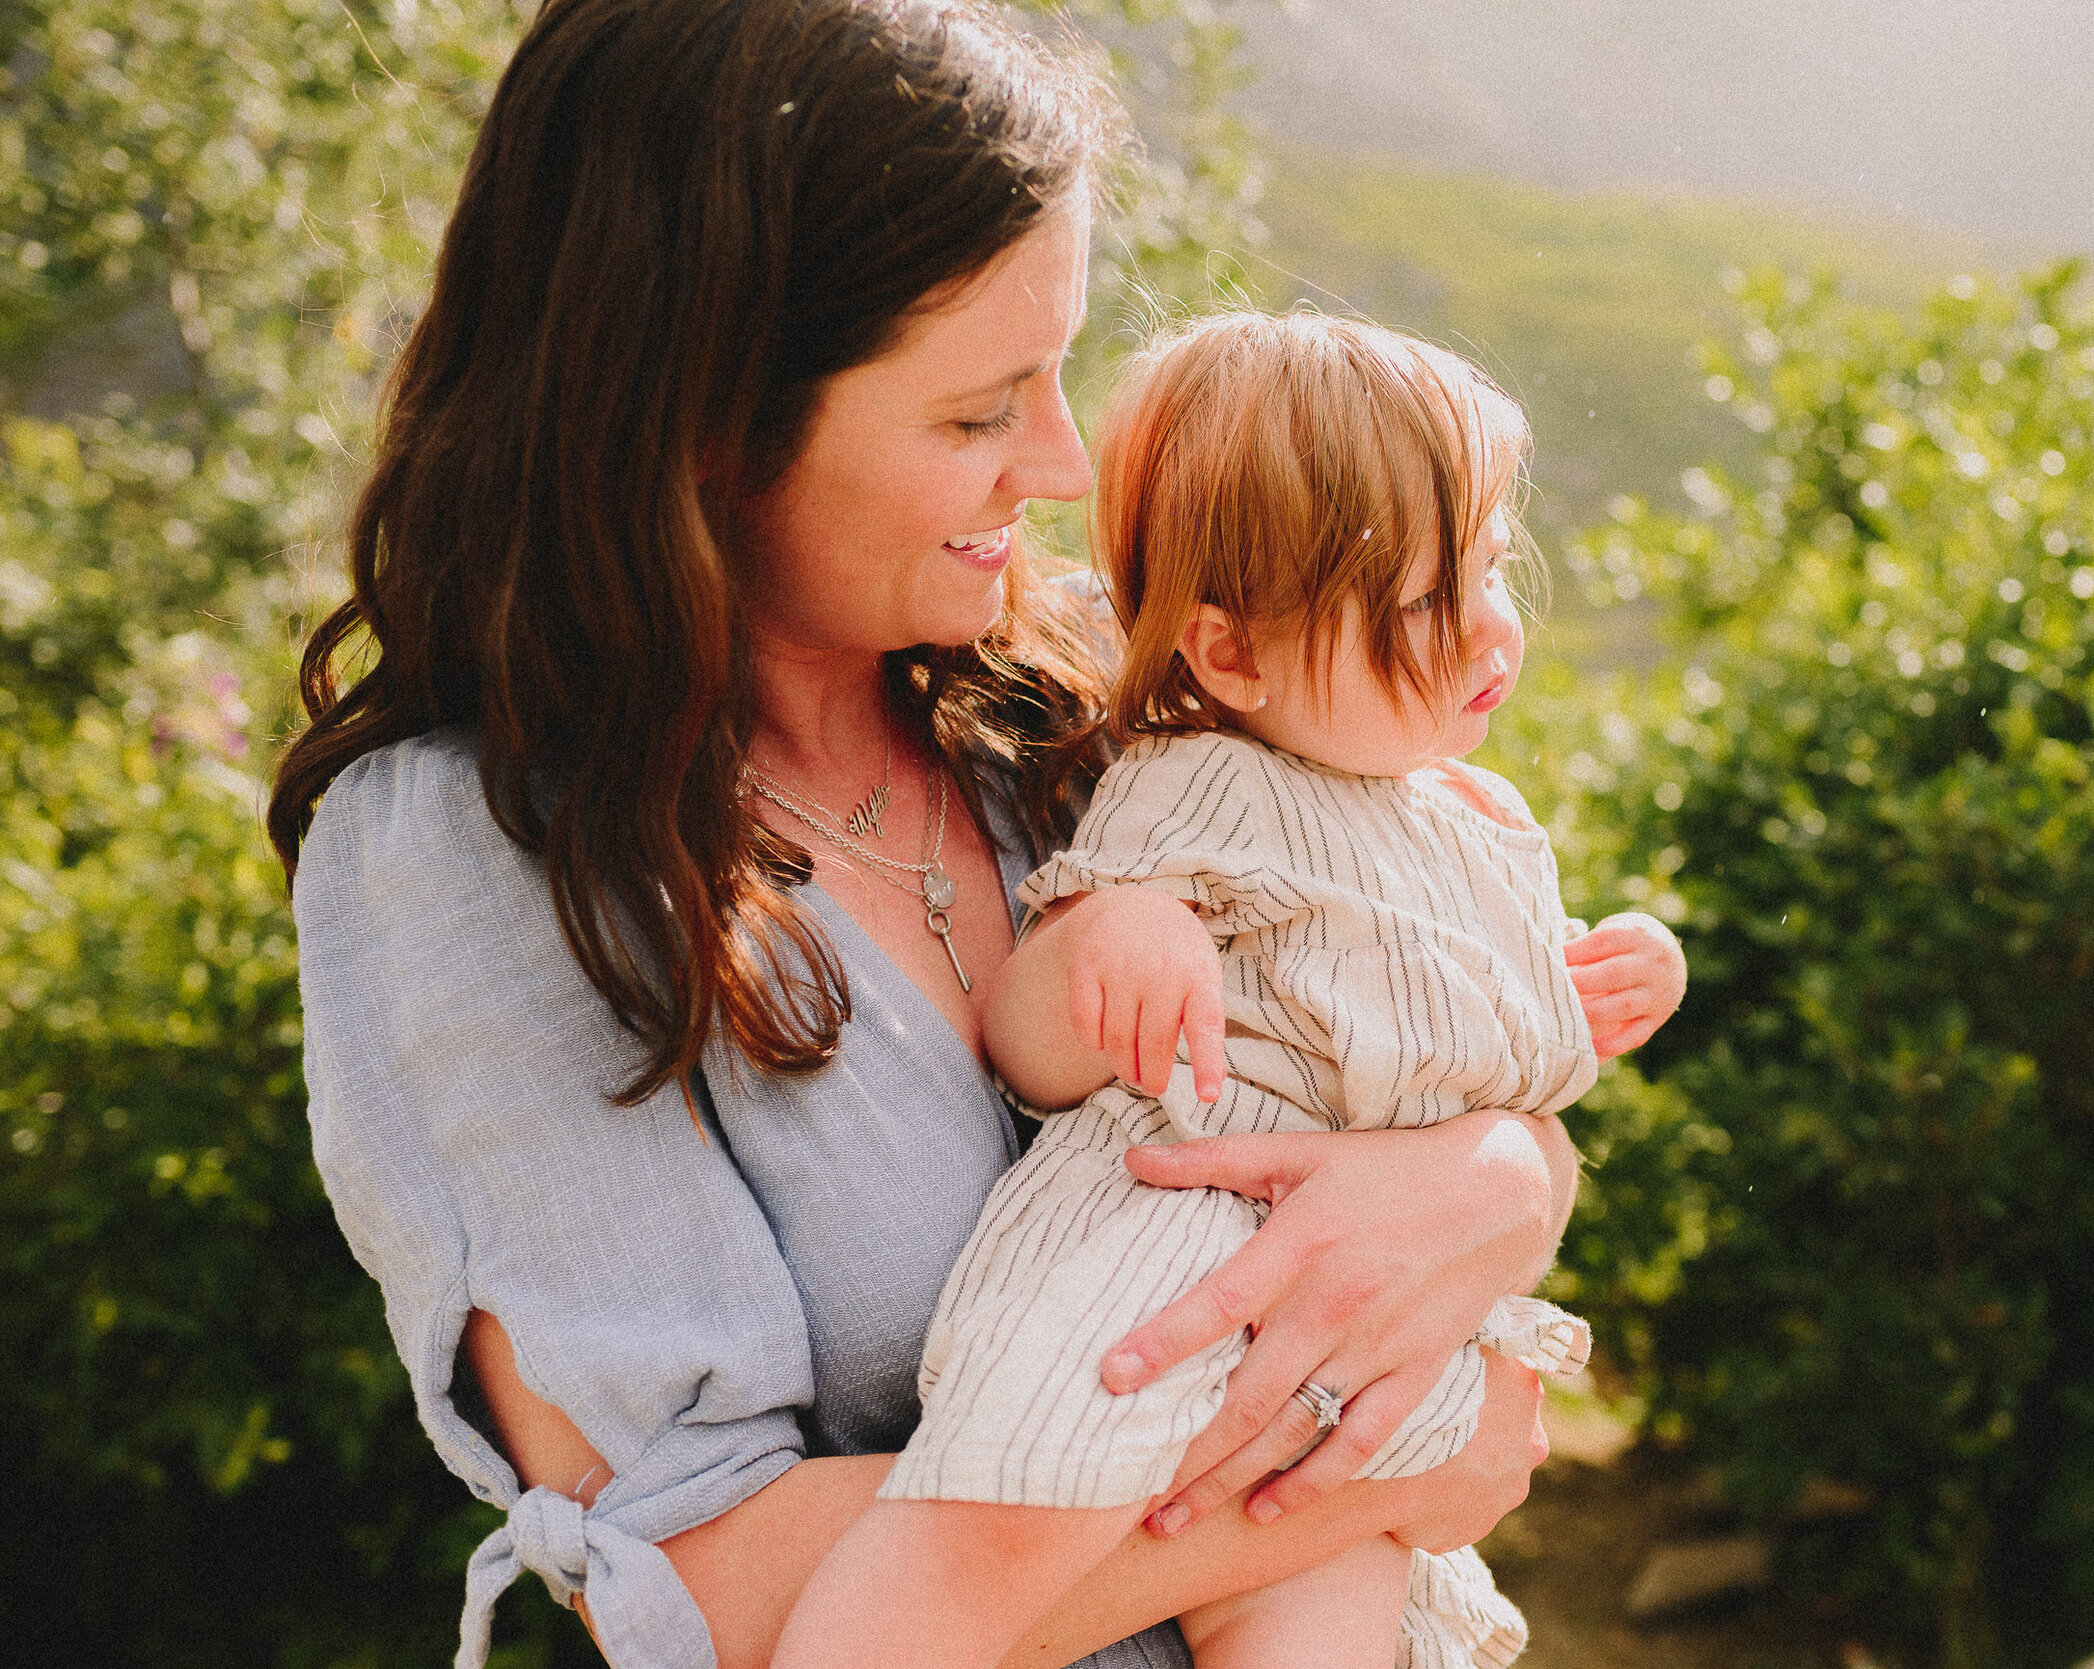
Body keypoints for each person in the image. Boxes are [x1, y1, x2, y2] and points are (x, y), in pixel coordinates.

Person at [269, 3, 1679, 1667]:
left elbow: (1402, 1006)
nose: (1067, 464)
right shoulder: (478, 849)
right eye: (977, 412)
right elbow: (707, 1583)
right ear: (706, 424)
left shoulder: (1093, 703)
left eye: (1061, 371)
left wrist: (1502, 1177)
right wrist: (1393, 1448)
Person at [766, 310, 1687, 1669]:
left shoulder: (1475, 818)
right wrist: (1113, 944)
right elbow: (1026, 1042)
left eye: (1491, 568)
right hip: (1154, 1278)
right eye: (1428, 600)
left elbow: (1472, 1028)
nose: (1493, 625)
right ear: (1236, 654)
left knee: (1326, 1613)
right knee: (977, 1534)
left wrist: (1607, 973)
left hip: (1363, 1332)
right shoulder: (1201, 786)